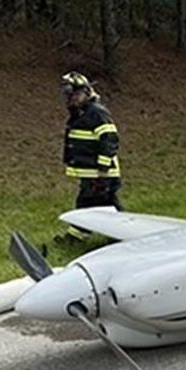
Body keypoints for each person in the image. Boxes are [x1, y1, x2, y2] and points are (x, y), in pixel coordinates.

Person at [57, 71, 122, 243]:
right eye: (69, 96)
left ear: (86, 92)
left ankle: (120, 237)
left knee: (100, 205)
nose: (71, 99)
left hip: (101, 173)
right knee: (92, 203)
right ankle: (81, 235)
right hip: (91, 172)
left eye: (75, 95)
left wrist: (103, 166)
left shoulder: (96, 113)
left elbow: (109, 139)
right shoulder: (80, 114)